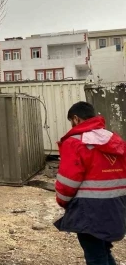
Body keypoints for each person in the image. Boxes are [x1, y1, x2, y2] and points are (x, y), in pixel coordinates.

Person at [55, 101, 126, 265]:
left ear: (76, 119)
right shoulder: (114, 139)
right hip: (117, 206)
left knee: (95, 256)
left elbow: (68, 182)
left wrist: (62, 201)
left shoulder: (74, 142)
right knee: (102, 251)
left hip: (90, 210)